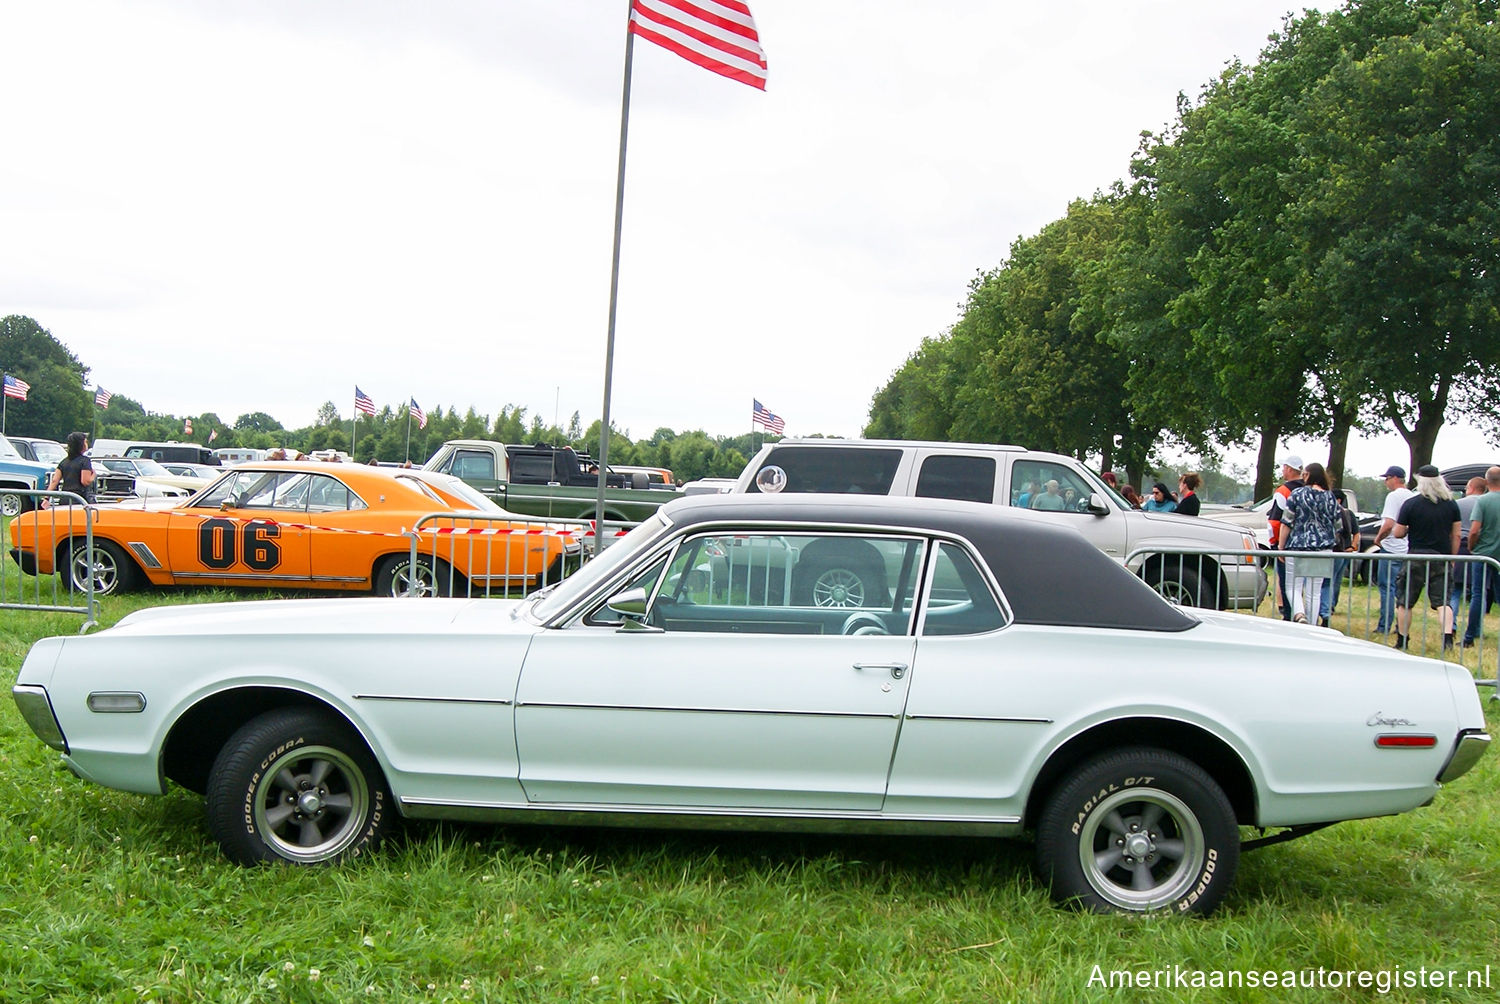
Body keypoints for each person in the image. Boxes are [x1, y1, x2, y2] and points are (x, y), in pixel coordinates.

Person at [1392, 465, 1461, 651]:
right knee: (1443, 602)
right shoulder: (1451, 504)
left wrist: (1407, 529)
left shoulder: (1411, 504)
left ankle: (1402, 639)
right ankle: (1447, 639)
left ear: (1420, 481)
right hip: (1441, 557)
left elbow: (1398, 532)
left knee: (1405, 601)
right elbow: (1456, 535)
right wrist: (1452, 558)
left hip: (1416, 556)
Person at [1278, 462, 1340, 625]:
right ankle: (1312, 626)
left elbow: (1287, 522)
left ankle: (1299, 614)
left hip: (1298, 546)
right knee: (1315, 591)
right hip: (1324, 548)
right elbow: (1338, 524)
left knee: (1293, 587)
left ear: (1308, 475)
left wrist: (1281, 546)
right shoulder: (1330, 497)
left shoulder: (1297, 494)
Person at [1371, 465, 1415, 635]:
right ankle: (1400, 626)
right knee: (1402, 590)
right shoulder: (1412, 496)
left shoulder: (1393, 497)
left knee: (1386, 587)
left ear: (1395, 478)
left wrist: (1378, 538)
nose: (1385, 482)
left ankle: (1384, 625)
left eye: (1387, 478)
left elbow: (1389, 524)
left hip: (1390, 548)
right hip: (1406, 548)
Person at [1461, 466, 1500, 647]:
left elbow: (1475, 530)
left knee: (1478, 594)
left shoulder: (1483, 501)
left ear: (1487, 481)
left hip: (1483, 553)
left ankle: (1469, 637)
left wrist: (1471, 546)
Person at [1265, 454, 1305, 620]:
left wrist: (1275, 542)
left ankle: (1289, 616)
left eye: (1284, 467)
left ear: (1289, 469)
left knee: (1288, 583)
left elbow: (1276, 521)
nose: (1283, 470)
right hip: (1306, 543)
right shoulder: (1310, 489)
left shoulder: (1283, 491)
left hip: (1287, 543)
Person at [1448, 477, 1486, 626]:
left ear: (1470, 487)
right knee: (1479, 591)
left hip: (1460, 546)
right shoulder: (1485, 504)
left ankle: (1451, 625)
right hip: (1480, 549)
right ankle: (1476, 628)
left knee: (1455, 590)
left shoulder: (1458, 504)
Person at [44, 431, 96, 506]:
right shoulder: (85, 461)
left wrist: (46, 498)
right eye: (85, 442)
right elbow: (85, 481)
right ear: (81, 445)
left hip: (65, 498)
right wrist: (93, 475)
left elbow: (54, 481)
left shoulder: (63, 462)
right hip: (79, 500)